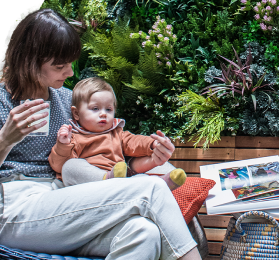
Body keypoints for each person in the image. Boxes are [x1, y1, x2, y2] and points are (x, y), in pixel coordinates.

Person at [0, 8, 279, 260]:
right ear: (30, 59)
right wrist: (3, 140)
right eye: (60, 65)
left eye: (70, 62)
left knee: (145, 233)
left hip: (62, 206)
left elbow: (107, 152)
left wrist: (151, 157)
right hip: (12, 210)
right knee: (149, 191)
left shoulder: (65, 101)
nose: (70, 71)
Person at [48, 76, 187, 191]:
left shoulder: (116, 133)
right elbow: (58, 166)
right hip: (85, 185)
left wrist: (153, 143)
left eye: (108, 109)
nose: (103, 114)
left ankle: (159, 184)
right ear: (76, 113)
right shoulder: (74, 137)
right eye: (95, 108)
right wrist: (63, 145)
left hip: (117, 180)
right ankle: (110, 178)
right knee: (70, 167)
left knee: (138, 177)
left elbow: (135, 141)